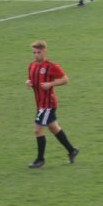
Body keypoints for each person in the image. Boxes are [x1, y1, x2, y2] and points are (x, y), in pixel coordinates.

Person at [26, 40, 79, 168]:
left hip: (47, 104)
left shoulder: (51, 66)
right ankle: (72, 150)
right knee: (54, 128)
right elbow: (31, 79)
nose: (36, 55)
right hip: (39, 103)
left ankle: (40, 159)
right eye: (34, 52)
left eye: (38, 52)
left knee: (38, 129)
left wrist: (51, 84)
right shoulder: (31, 66)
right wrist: (28, 82)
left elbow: (65, 79)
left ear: (44, 51)